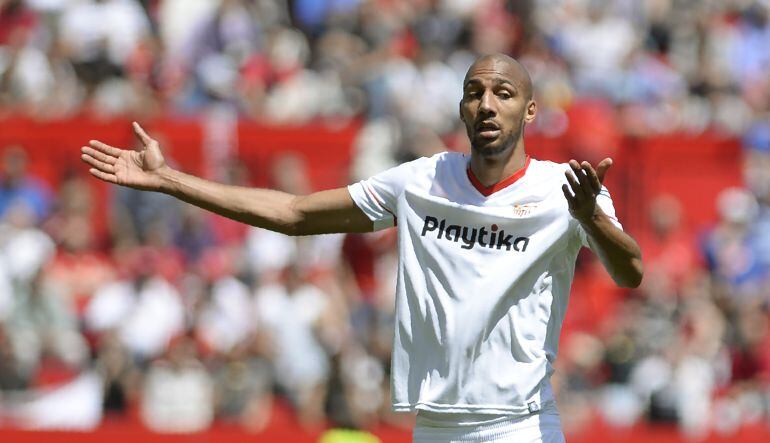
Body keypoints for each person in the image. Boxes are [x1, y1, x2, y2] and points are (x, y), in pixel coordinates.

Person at [81, 53, 643, 443]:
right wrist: (171, 181)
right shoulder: (421, 182)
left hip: (523, 426)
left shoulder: (564, 189)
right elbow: (295, 214)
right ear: (462, 109)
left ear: (529, 111)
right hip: (436, 427)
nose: (488, 104)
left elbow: (630, 272)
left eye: (503, 93)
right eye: (475, 93)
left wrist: (590, 217)